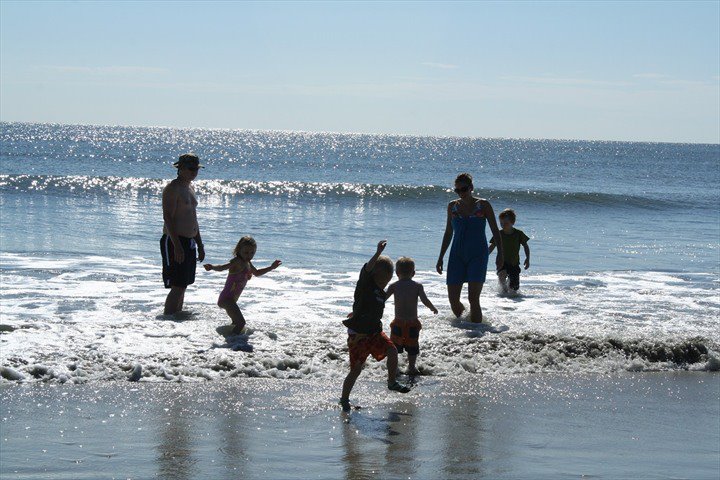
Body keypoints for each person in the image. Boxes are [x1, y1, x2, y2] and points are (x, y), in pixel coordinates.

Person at [340, 240, 411, 412]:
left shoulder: (380, 292)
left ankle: (391, 381)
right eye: (381, 280)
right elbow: (367, 269)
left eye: (387, 281)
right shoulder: (366, 284)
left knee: (393, 350)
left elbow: (370, 306)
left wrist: (356, 311)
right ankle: (344, 399)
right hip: (358, 335)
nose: (384, 284)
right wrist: (378, 253)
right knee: (356, 369)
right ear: (373, 277)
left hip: (374, 333)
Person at [436, 173, 504, 323]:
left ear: (471, 188)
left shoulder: (483, 205)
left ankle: (477, 334)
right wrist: (440, 257)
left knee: (473, 299)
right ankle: (467, 322)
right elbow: (448, 232)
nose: (461, 193)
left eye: (464, 189)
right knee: (453, 302)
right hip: (456, 255)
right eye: (457, 190)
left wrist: (500, 254)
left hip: (478, 254)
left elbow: (495, 230)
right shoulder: (452, 206)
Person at [203, 236, 282, 334]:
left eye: (252, 253)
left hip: (232, 299)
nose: (249, 255)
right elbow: (223, 267)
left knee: (236, 323)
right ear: (238, 250)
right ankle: (233, 341)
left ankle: (228, 342)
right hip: (226, 299)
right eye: (246, 252)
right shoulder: (237, 261)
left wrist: (271, 267)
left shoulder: (248, 263)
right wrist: (212, 267)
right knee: (241, 323)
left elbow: (257, 273)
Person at [160, 153, 205, 316]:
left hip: (189, 241)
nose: (194, 172)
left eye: (197, 169)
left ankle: (176, 320)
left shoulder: (190, 188)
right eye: (191, 168)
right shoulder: (173, 188)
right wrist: (177, 246)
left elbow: (193, 218)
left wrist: (200, 244)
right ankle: (168, 319)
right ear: (180, 169)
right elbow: (168, 218)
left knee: (184, 284)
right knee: (177, 285)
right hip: (174, 241)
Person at [386, 257, 438, 375]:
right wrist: (432, 308)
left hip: (398, 322)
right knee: (412, 346)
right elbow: (425, 300)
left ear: (396, 273)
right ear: (413, 273)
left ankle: (394, 368)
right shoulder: (417, 286)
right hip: (412, 323)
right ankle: (411, 367)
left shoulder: (393, 286)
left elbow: (382, 299)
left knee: (393, 347)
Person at [489, 208, 530, 293]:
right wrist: (484, 256)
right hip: (501, 261)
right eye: (501, 223)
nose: (503, 225)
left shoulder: (519, 234)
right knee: (501, 275)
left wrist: (527, 258)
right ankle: (503, 293)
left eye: (506, 223)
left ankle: (511, 299)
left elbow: (525, 246)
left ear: (512, 223)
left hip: (514, 262)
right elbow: (492, 246)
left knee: (514, 288)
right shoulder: (498, 234)